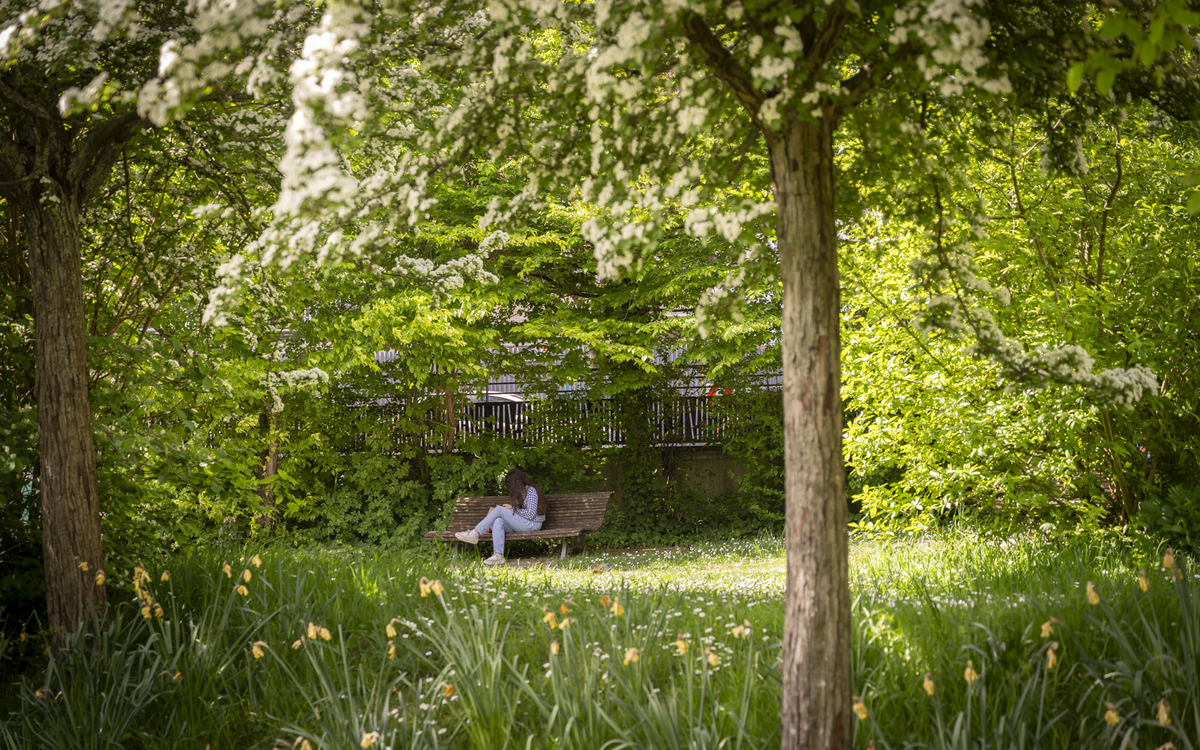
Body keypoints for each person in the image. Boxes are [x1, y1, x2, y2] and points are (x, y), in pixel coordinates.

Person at [454, 468, 548, 566]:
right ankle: (498, 556)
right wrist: (499, 514)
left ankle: (475, 533)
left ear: (516, 483)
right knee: (498, 521)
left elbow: (530, 514)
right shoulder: (519, 493)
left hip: (533, 524)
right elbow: (518, 515)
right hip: (523, 524)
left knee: (499, 510)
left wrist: (511, 509)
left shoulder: (531, 491)